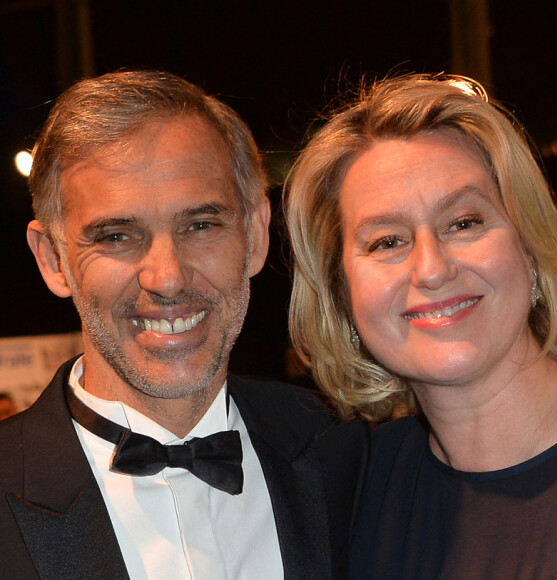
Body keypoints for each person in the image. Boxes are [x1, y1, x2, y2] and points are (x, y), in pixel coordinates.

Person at [0, 69, 367, 579]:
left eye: (200, 225)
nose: (168, 278)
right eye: (116, 236)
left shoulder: (348, 455)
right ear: (53, 260)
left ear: (256, 234)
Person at [285, 73, 557, 578]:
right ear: (343, 295)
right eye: (387, 241)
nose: (432, 269)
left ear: (530, 249)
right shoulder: (355, 489)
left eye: (463, 223)